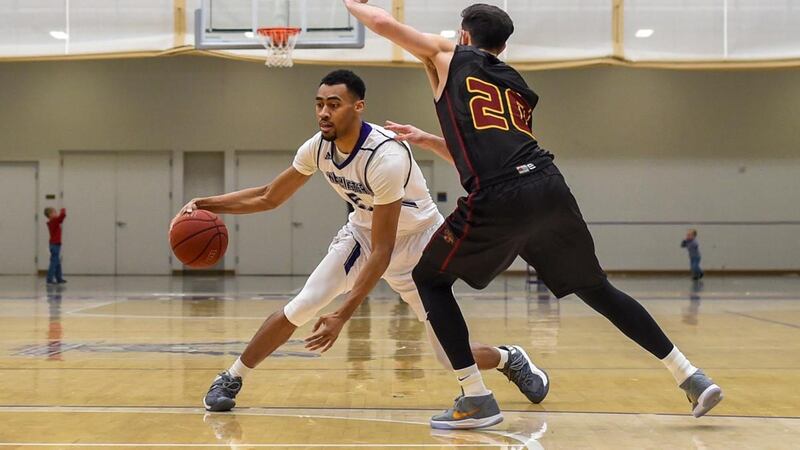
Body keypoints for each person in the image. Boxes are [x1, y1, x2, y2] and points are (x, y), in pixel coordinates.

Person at [342, 0, 723, 429]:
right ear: (502, 47)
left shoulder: (451, 55)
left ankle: (476, 397)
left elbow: (382, 21)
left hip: (500, 196)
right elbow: (490, 152)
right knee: (596, 288)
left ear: (464, 35)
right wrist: (429, 140)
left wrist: (351, 3)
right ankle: (689, 374)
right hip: (548, 185)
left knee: (428, 278)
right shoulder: (513, 84)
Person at [173, 70, 547, 413]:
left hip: (419, 244)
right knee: (303, 305)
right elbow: (269, 196)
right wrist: (205, 204)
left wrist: (343, 315)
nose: (324, 112)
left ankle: (508, 358)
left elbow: (384, 252)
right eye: (319, 104)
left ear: (358, 107)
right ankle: (232, 377)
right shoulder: (317, 148)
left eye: (334, 104)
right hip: (363, 234)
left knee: (450, 357)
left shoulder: (385, 157)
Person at [44, 207, 67, 285]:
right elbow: (61, 217)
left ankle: (59, 278)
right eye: (54, 212)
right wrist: (63, 210)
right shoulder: (54, 221)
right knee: (54, 263)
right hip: (55, 245)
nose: (56, 213)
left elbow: (60, 219)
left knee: (57, 262)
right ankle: (49, 279)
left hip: (55, 244)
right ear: (50, 215)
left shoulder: (53, 221)